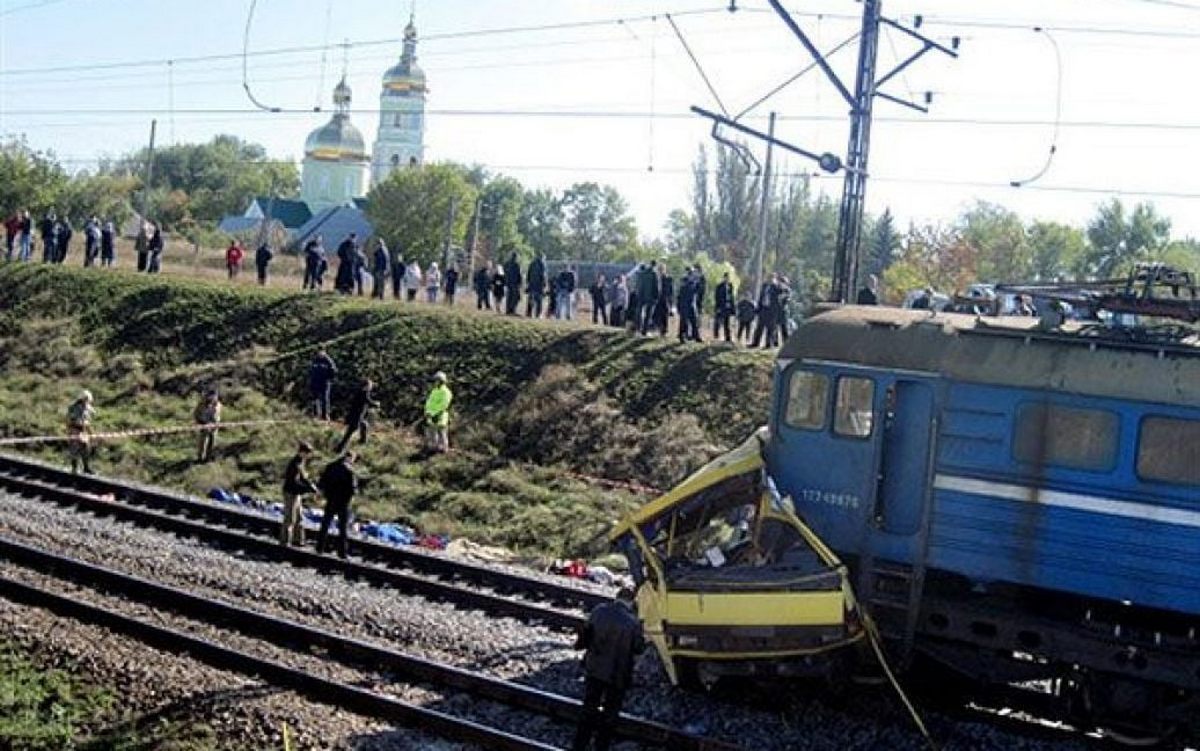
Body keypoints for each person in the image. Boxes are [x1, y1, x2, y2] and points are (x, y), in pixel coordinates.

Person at [571, 586, 644, 751]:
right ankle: (601, 745)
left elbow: (586, 635)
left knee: (589, 707)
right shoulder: (633, 622)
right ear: (631, 602)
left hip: (595, 668)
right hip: (618, 673)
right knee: (610, 712)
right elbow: (639, 648)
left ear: (616, 597)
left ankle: (580, 744)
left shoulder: (599, 611)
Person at [316, 451, 358, 559]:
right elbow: (353, 490)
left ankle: (319, 548)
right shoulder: (350, 471)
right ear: (350, 458)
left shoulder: (331, 466)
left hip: (331, 500)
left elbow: (321, 483)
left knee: (325, 524)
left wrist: (324, 494)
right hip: (343, 503)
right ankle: (342, 552)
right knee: (342, 528)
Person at [280, 441, 317, 547]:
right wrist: (307, 488)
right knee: (290, 518)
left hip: (296, 493)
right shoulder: (294, 464)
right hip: (291, 493)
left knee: (299, 518)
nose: (308, 456)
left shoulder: (301, 462)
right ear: (302, 452)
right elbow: (294, 482)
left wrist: (310, 485)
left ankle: (298, 540)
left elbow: (303, 477)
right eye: (307, 453)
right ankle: (285, 541)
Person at [335, 379, 378, 454]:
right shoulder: (363, 393)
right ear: (366, 386)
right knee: (349, 434)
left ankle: (362, 441)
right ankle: (339, 449)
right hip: (356, 417)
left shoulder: (360, 392)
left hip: (356, 416)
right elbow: (368, 401)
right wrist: (376, 404)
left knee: (364, 425)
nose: (371, 387)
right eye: (370, 385)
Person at [66, 390, 96, 474]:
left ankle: (86, 467)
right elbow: (70, 420)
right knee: (74, 449)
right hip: (75, 430)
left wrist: (91, 432)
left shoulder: (88, 408)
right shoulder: (74, 407)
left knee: (86, 448)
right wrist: (69, 431)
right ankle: (74, 468)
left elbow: (88, 420)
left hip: (84, 431)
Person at [424, 371, 453, 454]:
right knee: (431, 432)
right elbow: (429, 402)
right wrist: (427, 411)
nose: (435, 382)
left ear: (441, 381)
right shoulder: (434, 390)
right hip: (431, 415)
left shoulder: (446, 392)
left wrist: (435, 413)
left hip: (440, 415)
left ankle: (444, 449)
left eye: (436, 380)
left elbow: (444, 405)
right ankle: (433, 447)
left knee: (441, 432)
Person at [193, 388, 221, 462]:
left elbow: (216, 416)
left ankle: (209, 458)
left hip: (214, 425)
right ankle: (200, 458)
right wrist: (201, 423)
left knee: (213, 442)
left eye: (214, 397)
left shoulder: (217, 405)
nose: (212, 398)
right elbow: (196, 414)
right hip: (203, 424)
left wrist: (213, 424)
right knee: (203, 442)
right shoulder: (201, 404)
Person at [309, 349, 338, 421]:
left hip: (325, 383)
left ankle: (325, 415)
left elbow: (334, 371)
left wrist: (329, 379)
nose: (320, 354)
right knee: (315, 399)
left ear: (324, 352)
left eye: (321, 352)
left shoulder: (328, 361)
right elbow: (311, 370)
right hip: (315, 382)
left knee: (325, 399)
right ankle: (316, 414)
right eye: (319, 352)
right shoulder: (315, 360)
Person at [676, 269, 700, 343]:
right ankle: (681, 336)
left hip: (691, 304)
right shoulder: (685, 281)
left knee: (694, 321)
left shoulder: (694, 283)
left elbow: (697, 291)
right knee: (684, 321)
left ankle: (696, 336)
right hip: (684, 304)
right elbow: (680, 295)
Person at [636, 262, 659, 335]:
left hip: (641, 296)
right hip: (650, 296)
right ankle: (644, 330)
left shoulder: (641, 273)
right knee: (648, 314)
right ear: (654, 266)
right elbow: (656, 286)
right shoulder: (653, 274)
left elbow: (638, 285)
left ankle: (638, 328)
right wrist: (656, 297)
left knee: (639, 312)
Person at [713, 272, 735, 342]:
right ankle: (716, 335)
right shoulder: (719, 286)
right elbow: (717, 297)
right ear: (724, 278)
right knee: (718, 321)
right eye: (726, 277)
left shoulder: (730, 286)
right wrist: (718, 307)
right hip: (721, 306)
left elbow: (732, 297)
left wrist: (732, 308)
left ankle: (728, 338)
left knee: (727, 323)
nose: (727, 279)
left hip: (727, 307)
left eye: (728, 278)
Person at [654, 265, 674, 337]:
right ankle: (660, 328)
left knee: (664, 315)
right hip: (658, 299)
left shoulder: (668, 278)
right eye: (659, 270)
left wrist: (670, 301)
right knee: (656, 315)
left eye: (661, 270)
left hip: (665, 299)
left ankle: (664, 331)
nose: (660, 272)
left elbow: (671, 290)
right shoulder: (657, 279)